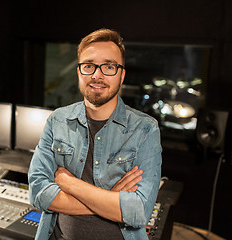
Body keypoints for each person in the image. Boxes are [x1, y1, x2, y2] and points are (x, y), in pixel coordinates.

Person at [28, 28, 162, 240]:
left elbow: (138, 212)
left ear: (122, 75)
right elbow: (38, 194)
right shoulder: (57, 121)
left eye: (109, 66)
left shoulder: (145, 129)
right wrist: (112, 199)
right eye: (89, 66)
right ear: (79, 72)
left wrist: (70, 183)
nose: (97, 75)